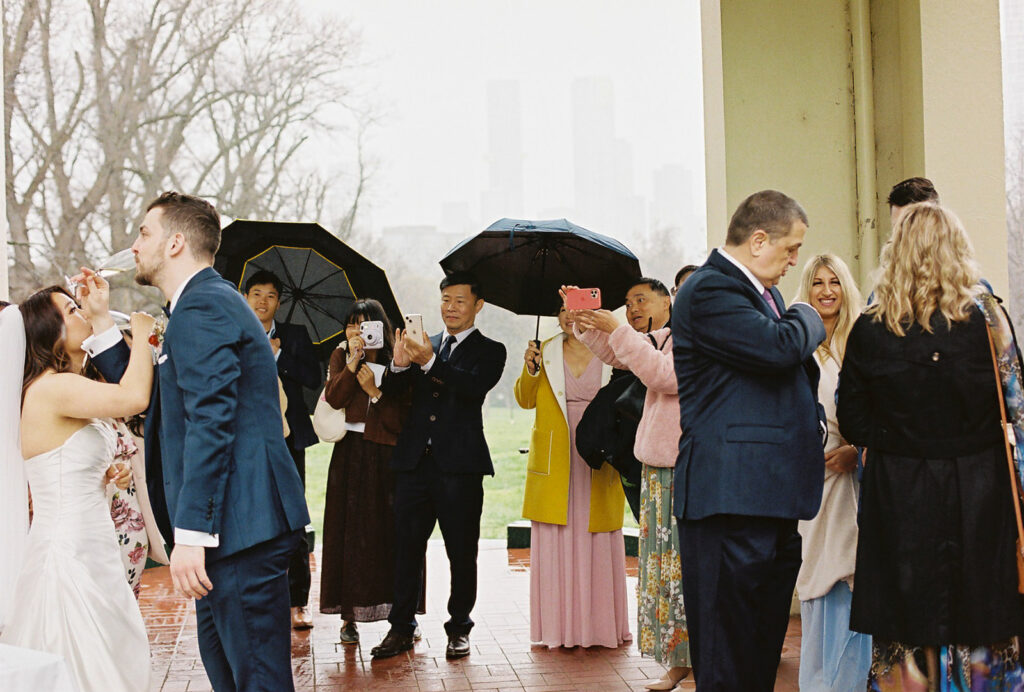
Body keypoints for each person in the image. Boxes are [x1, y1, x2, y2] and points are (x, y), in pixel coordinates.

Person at [87, 191, 310, 691]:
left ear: (175, 243)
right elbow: (160, 404)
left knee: (258, 681)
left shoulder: (203, 306)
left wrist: (192, 533)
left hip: (241, 527)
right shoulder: (198, 304)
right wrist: (102, 323)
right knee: (232, 678)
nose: (135, 244)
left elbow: (214, 423)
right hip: (232, 529)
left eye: (145, 233)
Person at [838, 203, 1024, 690]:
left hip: (899, 491)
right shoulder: (988, 319)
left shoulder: (872, 325)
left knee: (904, 614)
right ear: (957, 249)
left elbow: (851, 416)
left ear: (896, 253)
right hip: (979, 489)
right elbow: (1018, 407)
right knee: (980, 607)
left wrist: (896, 440)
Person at [672, 189, 826, 691]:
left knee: (758, 656)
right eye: (790, 249)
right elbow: (779, 348)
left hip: (769, 500)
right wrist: (808, 314)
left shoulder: (765, 296)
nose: (794, 261)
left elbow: (786, 373)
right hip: (728, 502)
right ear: (758, 240)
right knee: (726, 658)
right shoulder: (710, 290)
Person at [0, 284, 154, 691]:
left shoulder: (67, 384)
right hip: (68, 556)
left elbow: (64, 460)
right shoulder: (52, 387)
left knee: (107, 654)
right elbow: (135, 396)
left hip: (94, 548)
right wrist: (140, 335)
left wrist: (104, 474)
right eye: (72, 309)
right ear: (50, 333)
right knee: (84, 662)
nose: (82, 310)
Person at [370, 271, 507, 660]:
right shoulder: (421, 344)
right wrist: (398, 365)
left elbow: (470, 388)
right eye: (445, 299)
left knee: (461, 552)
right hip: (414, 465)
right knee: (406, 550)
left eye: (460, 301)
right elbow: (394, 394)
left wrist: (428, 361)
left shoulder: (490, 350)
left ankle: (459, 628)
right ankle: (401, 628)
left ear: (478, 306)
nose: (450, 308)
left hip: (460, 469)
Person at [572, 278, 691, 690]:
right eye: (629, 302)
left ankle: (694, 658)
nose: (634, 307)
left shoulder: (700, 341)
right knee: (661, 569)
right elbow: (620, 356)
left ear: (668, 302)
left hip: (685, 468)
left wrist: (617, 329)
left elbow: (663, 376)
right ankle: (677, 660)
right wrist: (587, 324)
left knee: (681, 569)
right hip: (655, 465)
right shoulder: (663, 337)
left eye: (642, 299)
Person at [515, 305, 630, 649]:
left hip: (598, 451)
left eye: (577, 310)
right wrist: (530, 369)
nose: (569, 317)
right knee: (556, 536)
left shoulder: (611, 346)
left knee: (596, 537)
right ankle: (556, 628)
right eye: (563, 310)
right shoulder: (543, 348)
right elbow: (524, 400)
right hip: (556, 458)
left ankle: (599, 628)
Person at [319, 299, 424, 644]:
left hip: (388, 456)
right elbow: (333, 399)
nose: (358, 332)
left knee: (393, 533)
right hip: (349, 455)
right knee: (347, 534)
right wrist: (351, 365)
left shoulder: (400, 358)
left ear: (380, 327)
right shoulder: (341, 356)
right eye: (352, 325)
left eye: (365, 325)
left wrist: (375, 392)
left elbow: (402, 419)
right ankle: (348, 615)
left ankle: (403, 613)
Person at [792, 254, 871, 691]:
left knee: (851, 574)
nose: (826, 291)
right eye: (818, 282)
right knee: (817, 577)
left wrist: (855, 453)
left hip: (853, 482)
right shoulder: (798, 346)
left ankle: (850, 680)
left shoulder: (860, 342)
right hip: (810, 481)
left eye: (835, 282)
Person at [244, 269, 321, 630]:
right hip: (246, 441)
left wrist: (278, 355)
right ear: (245, 298)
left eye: (270, 295)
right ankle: (259, 601)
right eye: (256, 293)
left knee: (293, 518)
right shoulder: (236, 333)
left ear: (280, 301)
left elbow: (313, 378)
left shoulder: (295, 336)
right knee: (251, 517)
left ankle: (298, 602)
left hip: (290, 440)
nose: (262, 301)